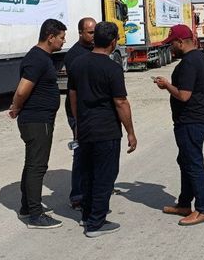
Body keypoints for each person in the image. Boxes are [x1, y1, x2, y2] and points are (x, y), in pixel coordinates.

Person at [68, 22, 137, 238]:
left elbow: (72, 95)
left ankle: (88, 214)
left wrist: (78, 121)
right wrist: (131, 132)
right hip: (106, 130)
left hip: (86, 128)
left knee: (88, 173)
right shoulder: (112, 68)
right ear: (113, 41)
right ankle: (96, 223)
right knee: (105, 175)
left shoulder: (78, 63)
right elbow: (120, 102)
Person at [9, 18, 66, 229]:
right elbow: (23, 89)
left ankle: (27, 206)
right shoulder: (37, 59)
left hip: (40, 119)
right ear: (50, 37)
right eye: (61, 37)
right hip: (37, 120)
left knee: (32, 163)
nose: (63, 41)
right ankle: (35, 214)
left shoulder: (42, 57)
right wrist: (15, 107)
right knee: (37, 166)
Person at [154, 25, 204, 226]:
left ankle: (202, 209)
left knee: (194, 164)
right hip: (196, 119)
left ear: (181, 42)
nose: (170, 48)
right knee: (185, 161)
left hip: (190, 121)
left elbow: (184, 95)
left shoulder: (189, 63)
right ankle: (184, 203)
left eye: (172, 44)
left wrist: (166, 85)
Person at [63, 17, 96, 210]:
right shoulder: (75, 55)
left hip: (91, 110)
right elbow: (76, 90)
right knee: (81, 151)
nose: (93, 36)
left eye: (94, 32)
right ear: (81, 33)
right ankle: (77, 195)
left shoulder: (95, 50)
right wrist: (77, 119)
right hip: (78, 111)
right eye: (90, 33)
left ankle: (91, 189)